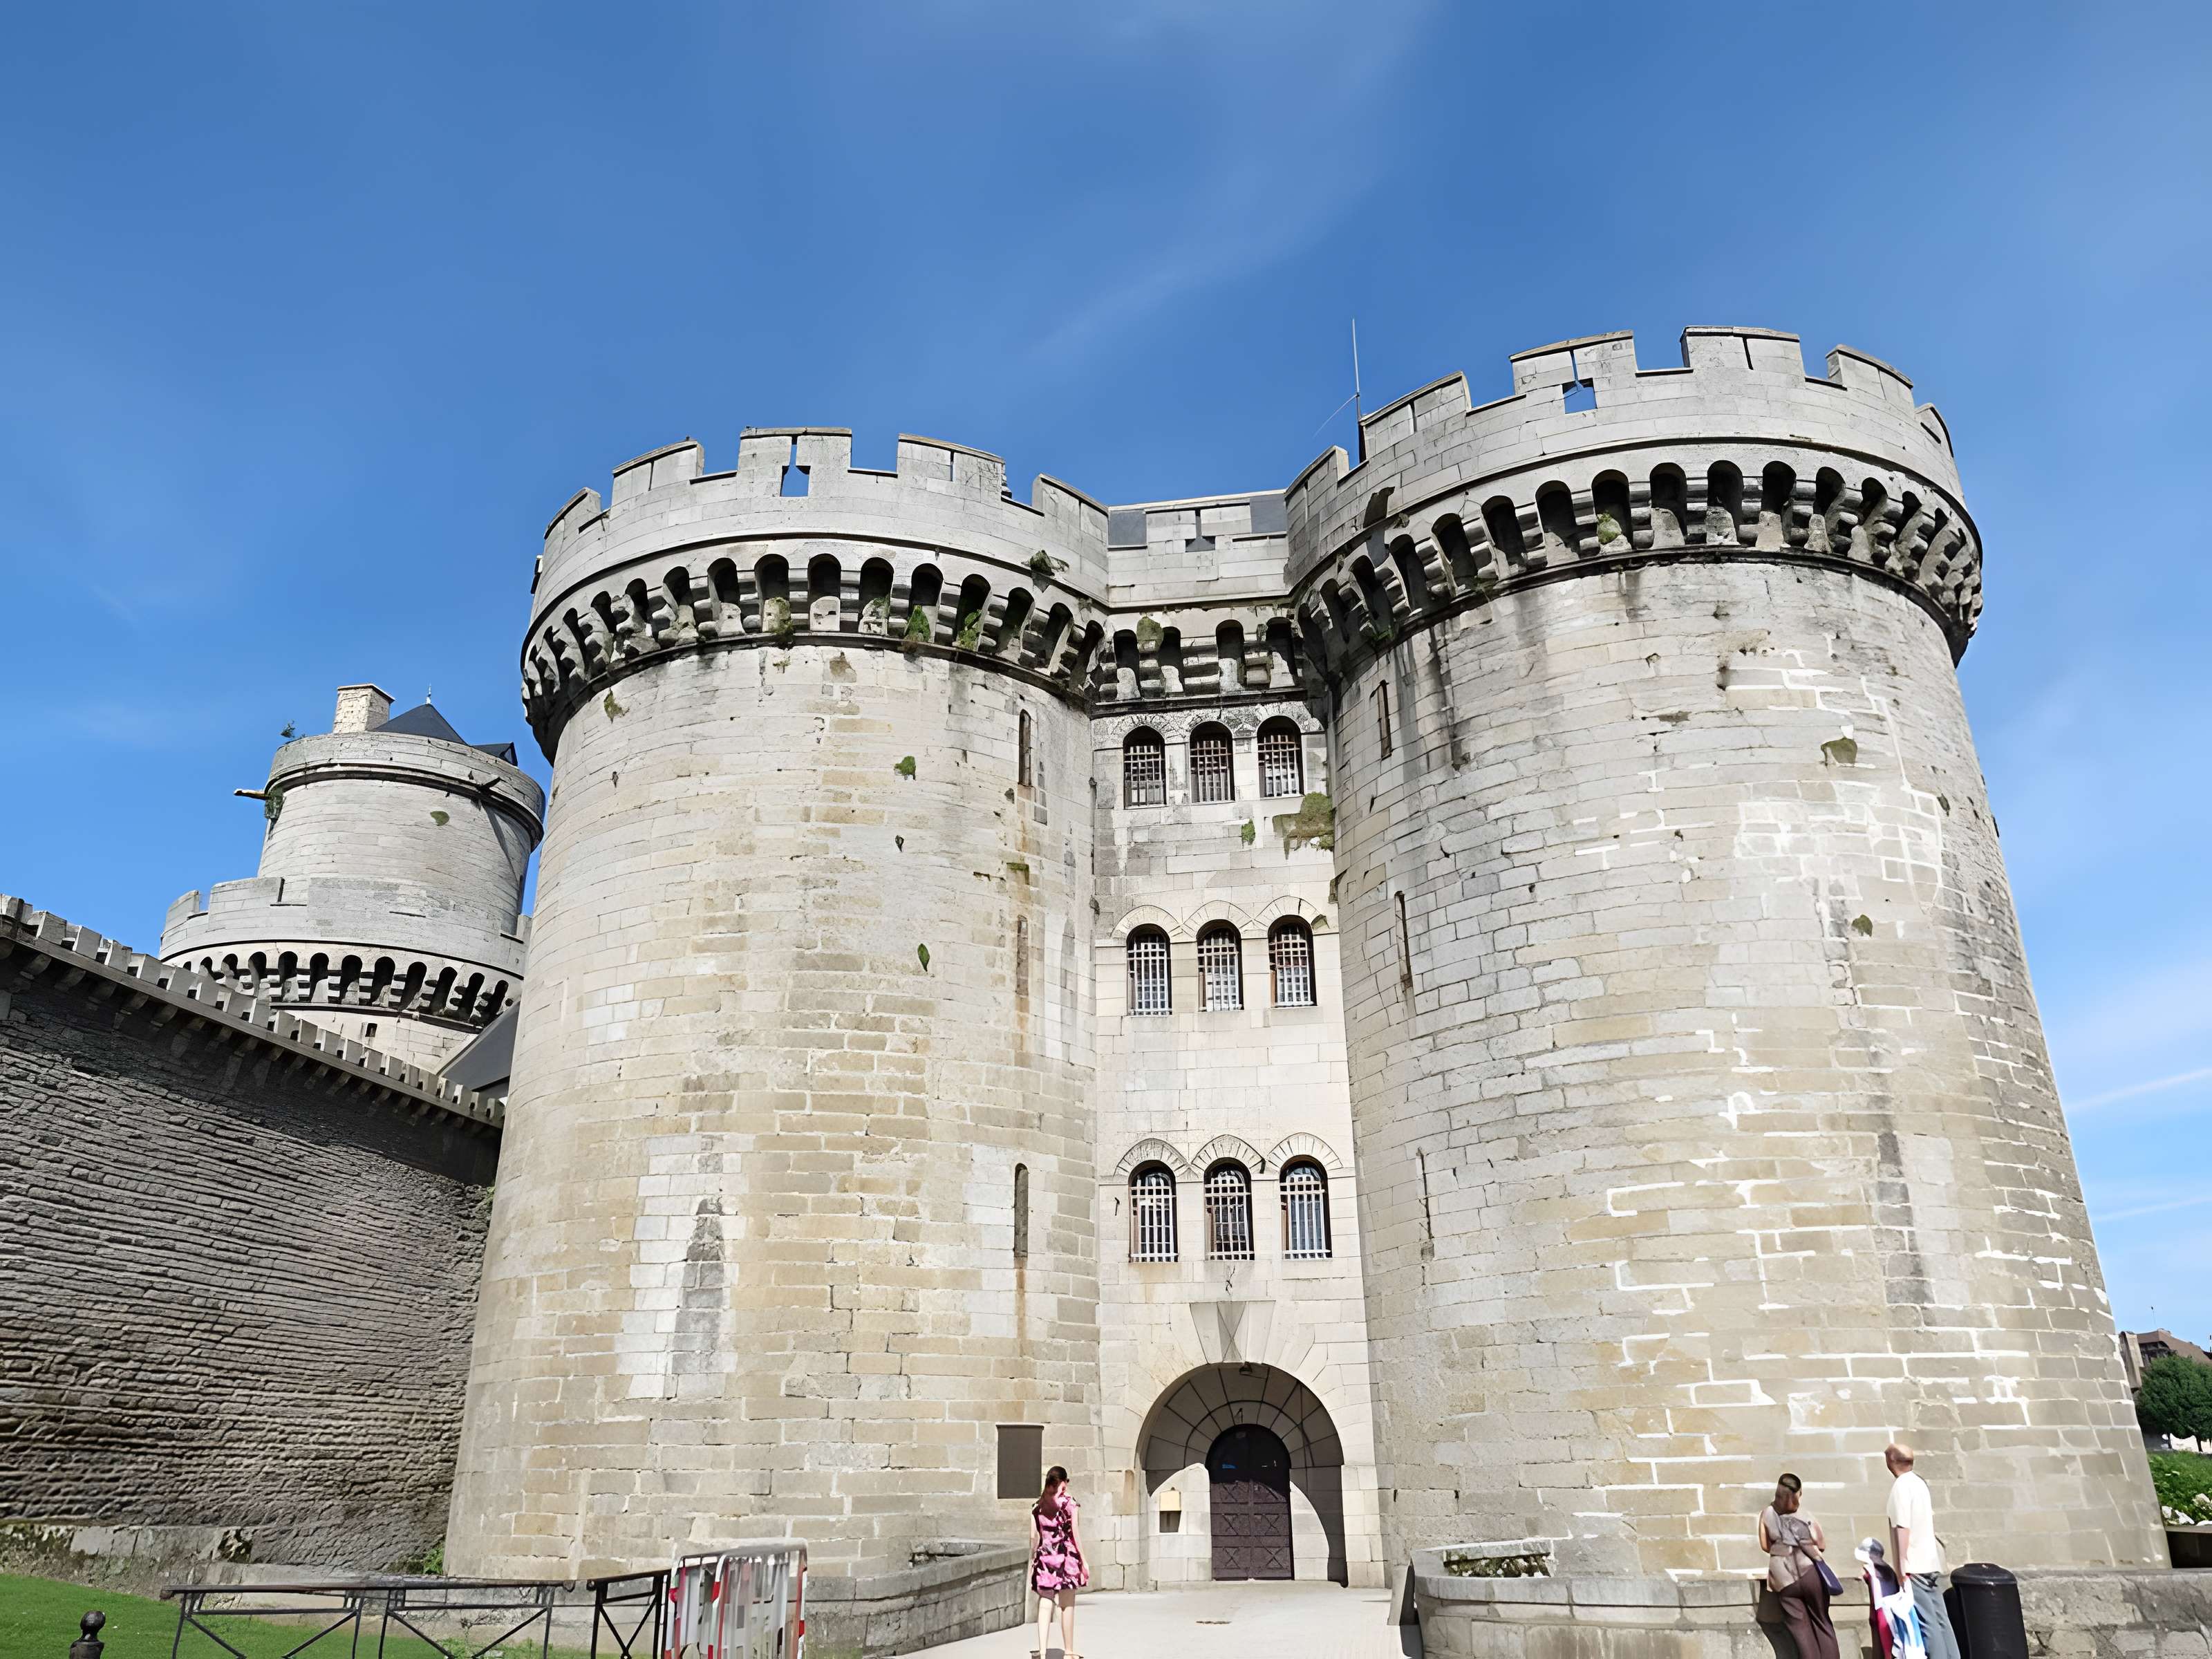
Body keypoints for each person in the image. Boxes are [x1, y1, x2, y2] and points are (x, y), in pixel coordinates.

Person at [1886, 1443, 1960, 1659]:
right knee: (1941, 1620)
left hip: (1914, 1565)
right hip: (1931, 1562)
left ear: (1891, 1460)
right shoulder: (1919, 1484)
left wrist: (1901, 1566)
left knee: (1926, 1623)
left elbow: (1902, 1527)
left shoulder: (1901, 1487)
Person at [1758, 1472, 1839, 1659]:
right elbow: (1822, 1544)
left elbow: (1765, 1546)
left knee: (1800, 1629)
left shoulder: (1767, 1513)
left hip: (1784, 1578)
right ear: (1799, 1493)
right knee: (1822, 1623)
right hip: (1810, 1572)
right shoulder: (1805, 1515)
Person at [1029, 1465, 1087, 1659]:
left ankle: (1043, 1651)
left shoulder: (1038, 1505)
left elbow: (1033, 1537)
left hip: (1045, 1561)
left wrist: (1032, 1561)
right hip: (1067, 1560)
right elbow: (1076, 1534)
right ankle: (1069, 1651)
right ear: (1064, 1482)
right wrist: (1084, 1561)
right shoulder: (1070, 1503)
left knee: (1045, 1603)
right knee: (1067, 1606)